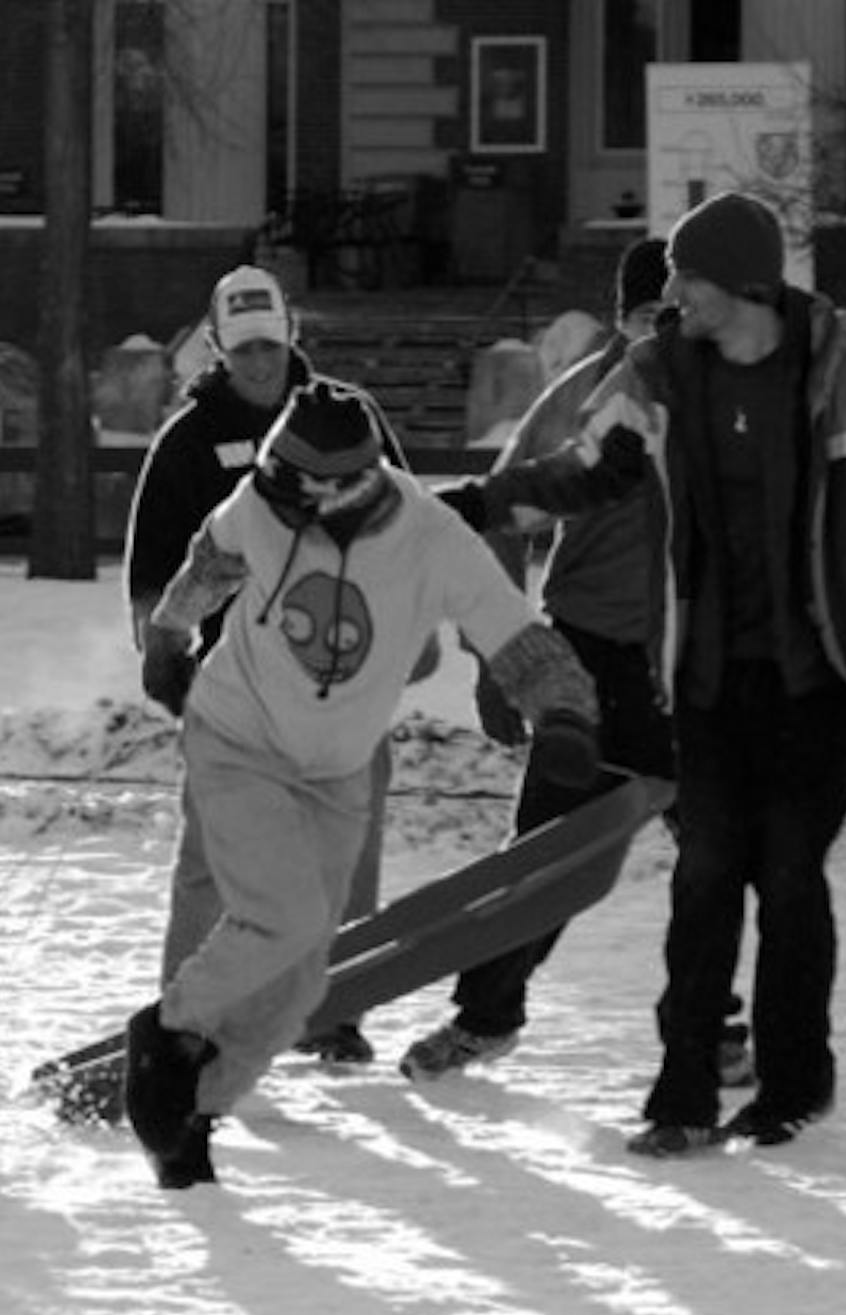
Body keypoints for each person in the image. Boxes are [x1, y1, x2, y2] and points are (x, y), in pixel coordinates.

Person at [458, 192, 846, 1156]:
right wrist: (480, 503)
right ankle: (682, 1094)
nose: (674, 299)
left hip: (822, 678)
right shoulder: (658, 373)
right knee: (703, 875)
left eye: (687, 282)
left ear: (739, 284)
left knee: (785, 874)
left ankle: (792, 1082)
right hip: (703, 674)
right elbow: (585, 471)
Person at [123, 379, 604, 1188]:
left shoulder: (430, 538)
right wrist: (169, 635)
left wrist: (565, 714)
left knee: (305, 972)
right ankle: (164, 1033)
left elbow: (514, 635)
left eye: (296, 494)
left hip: (337, 768)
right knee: (284, 915)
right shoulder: (264, 500)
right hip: (235, 736)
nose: (279, 506)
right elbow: (212, 561)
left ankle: (194, 1113)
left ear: (347, 486)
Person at [402, 238, 753, 1090]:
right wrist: (499, 660)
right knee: (550, 851)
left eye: (672, 313)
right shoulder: (581, 402)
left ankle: (713, 1031)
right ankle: (486, 1015)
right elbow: (498, 519)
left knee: (712, 851)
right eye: (643, 315)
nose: (658, 331)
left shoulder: (720, 395)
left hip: (692, 654)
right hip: (589, 656)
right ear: (619, 315)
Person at [126, 263, 421, 1067]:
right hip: (237, 691)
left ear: (292, 341)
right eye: (243, 351)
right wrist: (163, 656)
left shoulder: (345, 421)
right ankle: (189, 1022)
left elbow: (407, 527)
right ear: (219, 350)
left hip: (339, 676)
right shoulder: (188, 443)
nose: (259, 365)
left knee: (345, 847)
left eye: (271, 348)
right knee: (214, 860)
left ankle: (333, 1008)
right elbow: (154, 568)